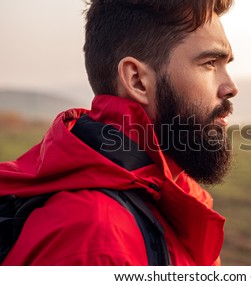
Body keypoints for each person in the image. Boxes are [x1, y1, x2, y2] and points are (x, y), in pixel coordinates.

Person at [0, 0, 238, 266]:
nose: (230, 87)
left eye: (226, 64)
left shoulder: (166, 192)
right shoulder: (97, 242)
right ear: (137, 80)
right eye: (209, 63)